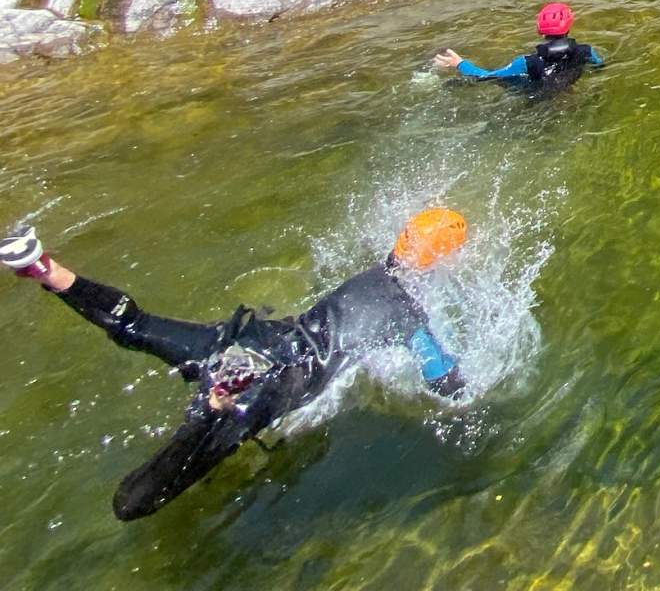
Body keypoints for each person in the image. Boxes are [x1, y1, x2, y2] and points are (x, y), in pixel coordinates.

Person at [2, 209, 469, 521]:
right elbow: (443, 381)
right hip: (277, 380)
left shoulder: (371, 273)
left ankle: (43, 267)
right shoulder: (410, 316)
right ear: (439, 262)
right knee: (133, 503)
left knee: (137, 325)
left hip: (253, 339)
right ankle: (212, 407)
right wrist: (468, 387)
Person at [434, 2, 604, 94]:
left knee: (495, 80)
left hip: (536, 97)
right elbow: (599, 66)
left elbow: (486, 77)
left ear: (540, 31)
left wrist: (459, 63)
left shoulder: (527, 62)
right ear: (569, 25)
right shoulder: (586, 51)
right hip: (566, 89)